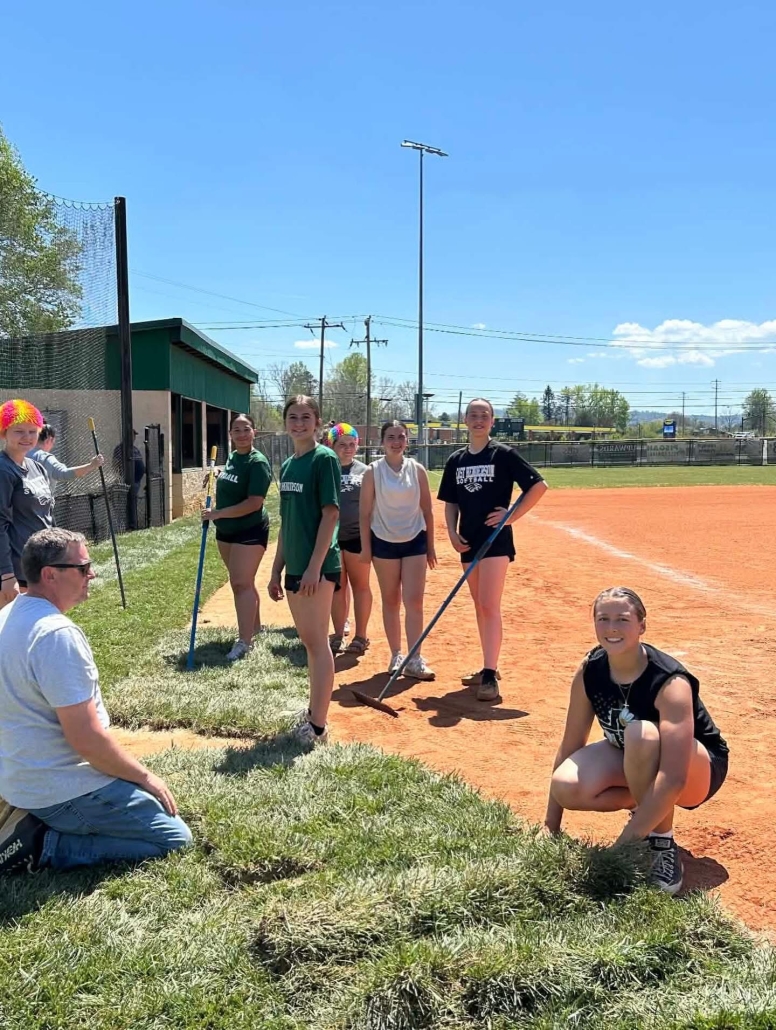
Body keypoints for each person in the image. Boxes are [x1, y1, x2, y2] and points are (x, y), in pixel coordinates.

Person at [0, 528, 192, 874]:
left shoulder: (7, 617)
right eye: (83, 567)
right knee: (174, 838)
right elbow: (87, 740)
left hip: (20, 779)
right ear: (50, 575)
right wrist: (145, 777)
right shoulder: (55, 635)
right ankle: (44, 845)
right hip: (60, 788)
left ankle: (32, 821)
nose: (93, 573)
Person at [544, 586, 729, 894]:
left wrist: (620, 850)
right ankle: (645, 808)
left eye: (623, 619)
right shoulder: (592, 670)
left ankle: (661, 843)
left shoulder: (669, 681)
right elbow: (570, 744)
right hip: (637, 757)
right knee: (566, 786)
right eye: (603, 619)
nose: (612, 628)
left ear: (642, 625)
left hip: (697, 771)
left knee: (641, 734)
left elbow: (673, 778)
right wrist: (551, 825)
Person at [438, 398, 547, 702]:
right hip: (468, 541)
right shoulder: (456, 459)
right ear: (465, 420)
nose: (478, 420)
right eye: (473, 415)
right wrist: (450, 530)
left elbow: (538, 486)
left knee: (488, 605)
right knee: (479, 605)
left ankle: (490, 674)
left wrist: (511, 516)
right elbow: (451, 501)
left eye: (484, 415)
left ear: (492, 421)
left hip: (495, 542)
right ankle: (488, 661)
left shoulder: (503, 454)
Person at [268, 396, 341, 745]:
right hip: (296, 566)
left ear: (318, 422)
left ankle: (317, 727)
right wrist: (275, 570)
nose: (299, 423)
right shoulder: (287, 465)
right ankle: (314, 711)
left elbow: (331, 514)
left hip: (318, 567)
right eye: (293, 417)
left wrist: (314, 568)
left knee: (317, 644)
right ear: (286, 423)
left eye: (306, 417)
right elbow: (287, 522)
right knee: (309, 644)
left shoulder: (323, 459)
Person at [359, 420, 437, 680]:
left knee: (414, 601)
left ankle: (415, 659)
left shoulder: (417, 470)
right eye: (391, 436)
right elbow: (364, 514)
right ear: (383, 441)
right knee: (391, 600)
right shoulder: (372, 472)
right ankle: (396, 655)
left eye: (401, 436)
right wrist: (366, 550)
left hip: (415, 540)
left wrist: (431, 547)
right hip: (383, 542)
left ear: (407, 440)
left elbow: (427, 510)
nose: (396, 441)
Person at [201, 413, 271, 661]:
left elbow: (253, 503)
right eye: (236, 430)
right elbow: (229, 482)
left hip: (249, 529)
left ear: (254, 432)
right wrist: (216, 476)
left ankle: (244, 642)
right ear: (230, 434)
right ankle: (256, 627)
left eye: (246, 429)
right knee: (242, 581)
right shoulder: (231, 458)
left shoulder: (257, 463)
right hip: (226, 531)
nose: (241, 434)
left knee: (241, 582)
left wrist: (218, 513)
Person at [0, 399, 55, 608]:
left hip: (40, 565)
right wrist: (6, 576)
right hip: (14, 572)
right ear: (4, 432)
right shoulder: (3, 470)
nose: (27, 437)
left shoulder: (37, 467)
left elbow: (48, 515)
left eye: (32, 431)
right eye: (19, 431)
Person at [327, 423, 371, 656]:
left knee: (361, 585)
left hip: (358, 536)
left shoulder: (365, 471)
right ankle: (337, 633)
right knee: (337, 587)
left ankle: (361, 636)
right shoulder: (325, 469)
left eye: (352, 444)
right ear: (331, 445)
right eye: (342, 444)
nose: (347, 449)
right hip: (332, 538)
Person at [29, 422, 105, 493]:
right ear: (50, 439)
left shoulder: (21, 454)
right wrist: (91, 465)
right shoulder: (44, 458)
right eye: (53, 442)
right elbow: (64, 473)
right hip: (36, 505)